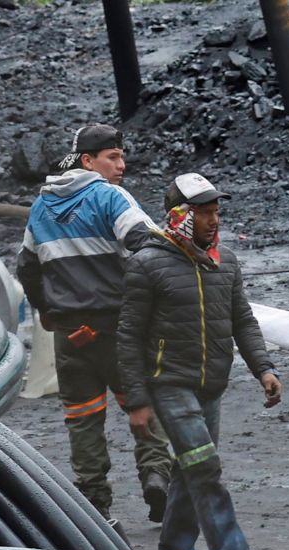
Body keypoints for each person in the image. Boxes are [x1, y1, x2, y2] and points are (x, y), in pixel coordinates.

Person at [115, 173, 284, 550]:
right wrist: (136, 401)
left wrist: (263, 368)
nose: (214, 220)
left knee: (191, 474)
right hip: (168, 385)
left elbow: (242, 320)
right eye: (204, 212)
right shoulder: (147, 264)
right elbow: (129, 336)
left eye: (216, 211)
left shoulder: (223, 262)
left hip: (210, 386)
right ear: (179, 216)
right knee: (205, 469)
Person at [15, 123, 173, 526]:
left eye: (121, 155)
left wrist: (46, 312)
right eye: (113, 157)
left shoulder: (42, 207)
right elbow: (144, 240)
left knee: (83, 419)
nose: (122, 164)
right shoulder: (108, 196)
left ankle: (96, 505)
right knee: (142, 402)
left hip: (71, 337)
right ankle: (157, 476)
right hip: (118, 328)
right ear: (88, 161)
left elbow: (26, 268)